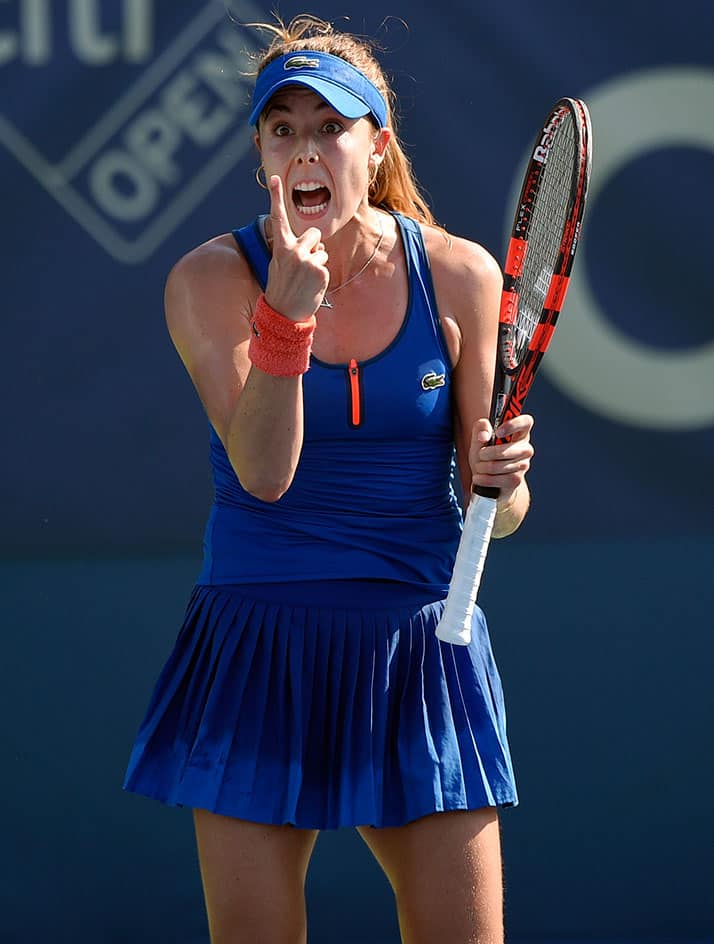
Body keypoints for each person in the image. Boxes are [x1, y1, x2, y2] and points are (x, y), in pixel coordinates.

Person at [124, 13, 534, 944]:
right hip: (257, 645)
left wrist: (501, 484)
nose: (305, 149)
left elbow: (497, 510)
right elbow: (264, 475)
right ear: (264, 152)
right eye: (283, 129)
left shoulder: (461, 275)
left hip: (422, 644)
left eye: (331, 127)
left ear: (376, 145)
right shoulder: (210, 280)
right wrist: (286, 323)